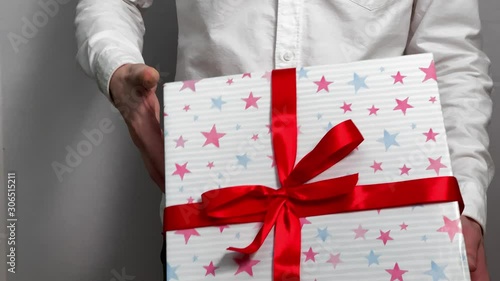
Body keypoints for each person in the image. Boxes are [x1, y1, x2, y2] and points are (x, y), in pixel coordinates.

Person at [75, 0, 493, 280]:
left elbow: (453, 59)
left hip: (383, 233)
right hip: (214, 224)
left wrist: (468, 205)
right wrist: (117, 71)